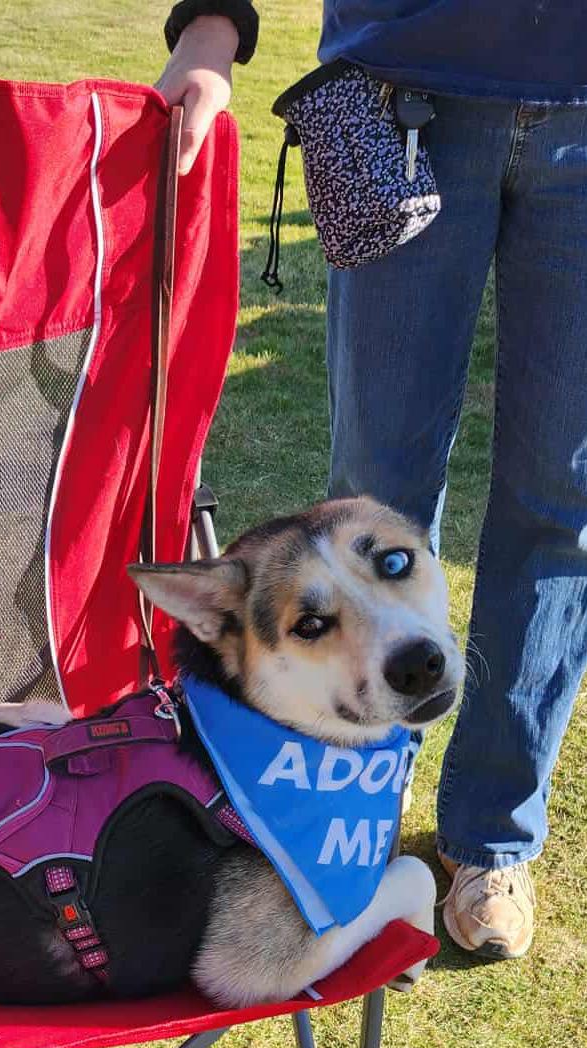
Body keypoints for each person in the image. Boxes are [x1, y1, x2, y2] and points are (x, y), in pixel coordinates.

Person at [156, 0, 587, 961]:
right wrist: (213, 25)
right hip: (398, 94)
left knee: (563, 509)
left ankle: (491, 840)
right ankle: (347, 824)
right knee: (370, 501)